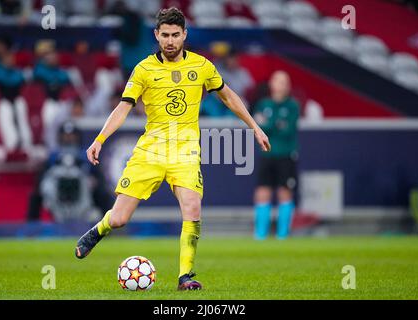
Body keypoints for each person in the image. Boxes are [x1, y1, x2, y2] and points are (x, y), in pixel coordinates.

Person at [74, 7, 271, 291]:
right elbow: (123, 107)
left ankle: (185, 277)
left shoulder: (202, 66)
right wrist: (99, 139)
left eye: (175, 35)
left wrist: (254, 126)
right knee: (119, 219)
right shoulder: (144, 69)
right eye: (164, 35)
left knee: (192, 208)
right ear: (156, 35)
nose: (169, 41)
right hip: (151, 150)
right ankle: (98, 230)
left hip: (185, 151)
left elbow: (228, 96)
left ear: (184, 35)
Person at [253, 71, 300, 240]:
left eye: (284, 82)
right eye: (278, 81)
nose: (281, 85)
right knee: (262, 191)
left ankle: (282, 234)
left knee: (284, 192)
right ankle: (260, 234)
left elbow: (287, 130)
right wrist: (274, 124)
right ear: (271, 84)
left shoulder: (293, 106)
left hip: (286, 155)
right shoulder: (263, 104)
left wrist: (269, 123)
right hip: (267, 155)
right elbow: (259, 127)